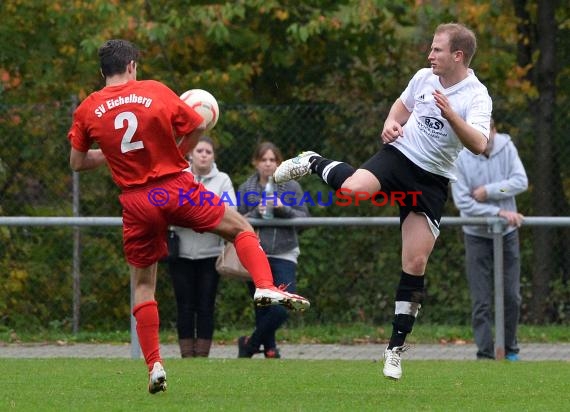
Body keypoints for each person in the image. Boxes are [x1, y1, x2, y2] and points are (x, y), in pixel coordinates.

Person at [67, 39, 310, 394]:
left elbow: (76, 163)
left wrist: (112, 153)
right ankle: (265, 286)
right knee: (240, 227)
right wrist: (174, 152)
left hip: (136, 201)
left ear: (102, 70)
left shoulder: (88, 109)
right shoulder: (153, 91)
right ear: (132, 65)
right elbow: (197, 124)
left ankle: (154, 365)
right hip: (174, 186)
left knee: (144, 284)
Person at [274, 23, 492, 380]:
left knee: (416, 261)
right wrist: (391, 123)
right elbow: (400, 108)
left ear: (458, 56)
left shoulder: (477, 95)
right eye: (431, 48)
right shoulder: (424, 77)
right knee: (354, 189)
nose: (429, 55)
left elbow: (480, 144)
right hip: (400, 156)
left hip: (433, 179)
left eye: (437, 50)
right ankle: (312, 160)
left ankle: (394, 349)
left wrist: (451, 114)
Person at [451, 118, 527, 361]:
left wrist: (491, 191)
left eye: (486, 135)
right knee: (481, 299)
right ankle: (485, 354)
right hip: (476, 235)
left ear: (494, 131)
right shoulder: (460, 156)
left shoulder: (507, 147)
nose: (481, 142)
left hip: (506, 233)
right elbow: (463, 202)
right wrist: (498, 212)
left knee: (512, 296)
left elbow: (519, 182)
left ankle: (510, 349)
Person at [236, 142, 310, 359]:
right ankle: (270, 350)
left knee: (283, 305)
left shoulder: (292, 187)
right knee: (263, 306)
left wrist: (282, 208)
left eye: (272, 160)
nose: (268, 164)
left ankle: (249, 344)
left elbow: (305, 219)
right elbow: (237, 223)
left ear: (279, 163)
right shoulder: (245, 188)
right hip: (255, 254)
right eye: (264, 160)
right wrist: (257, 214)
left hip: (284, 253)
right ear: (255, 163)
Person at [167, 136, 236, 358]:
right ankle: (187, 355)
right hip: (181, 253)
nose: (204, 155)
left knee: (205, 305)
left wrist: (196, 212)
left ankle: (202, 356)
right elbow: (169, 208)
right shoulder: (178, 175)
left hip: (210, 253)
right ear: (190, 155)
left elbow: (229, 210)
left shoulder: (222, 180)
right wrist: (201, 212)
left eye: (208, 151)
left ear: (213, 156)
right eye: (199, 151)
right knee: (184, 306)